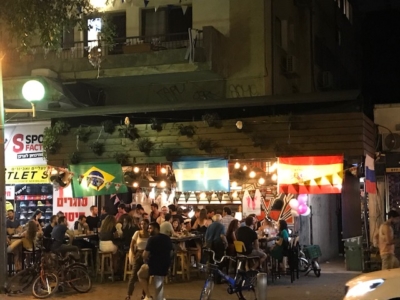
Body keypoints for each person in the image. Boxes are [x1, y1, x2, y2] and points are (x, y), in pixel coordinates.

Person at [138, 222, 173, 300]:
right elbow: (171, 252)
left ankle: (148, 296)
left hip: (153, 265)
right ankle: (158, 297)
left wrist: (145, 259)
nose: (149, 230)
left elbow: (145, 255)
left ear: (156, 229)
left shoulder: (152, 239)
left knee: (140, 274)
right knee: (159, 282)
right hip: (165, 264)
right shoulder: (167, 238)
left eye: (151, 228)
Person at [125, 219, 150, 300]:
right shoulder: (137, 233)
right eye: (142, 224)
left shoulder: (150, 234)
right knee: (133, 275)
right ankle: (129, 294)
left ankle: (144, 294)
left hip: (147, 255)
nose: (143, 226)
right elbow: (132, 244)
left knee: (145, 276)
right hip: (139, 254)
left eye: (145, 224)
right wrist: (134, 254)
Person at [204, 214, 227, 283]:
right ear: (220, 219)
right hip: (218, 244)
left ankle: (211, 277)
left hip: (210, 244)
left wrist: (207, 244)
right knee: (219, 261)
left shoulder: (210, 226)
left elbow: (206, 236)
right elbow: (222, 236)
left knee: (211, 260)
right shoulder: (221, 226)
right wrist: (226, 243)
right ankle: (218, 278)